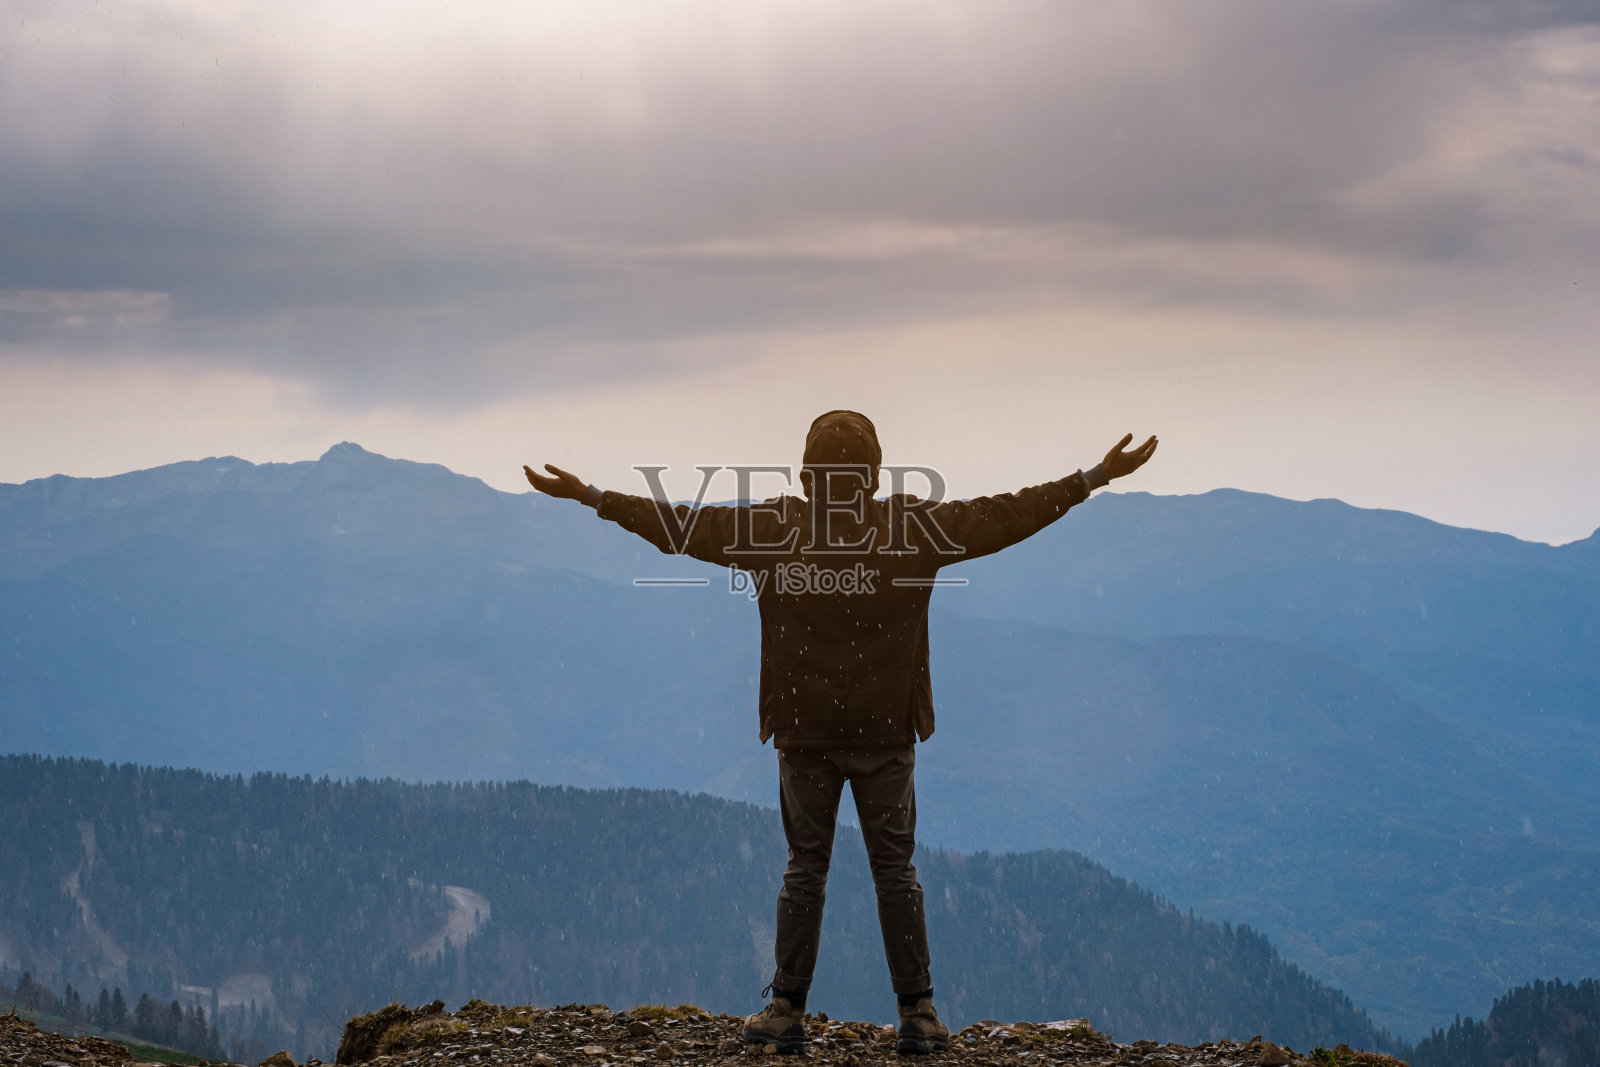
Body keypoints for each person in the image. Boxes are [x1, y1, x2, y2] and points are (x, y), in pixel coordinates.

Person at [524, 411, 1157, 1054]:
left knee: (805, 870)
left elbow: (681, 527)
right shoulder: (913, 529)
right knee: (895, 872)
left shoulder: (774, 528)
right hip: (886, 734)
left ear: (807, 474)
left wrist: (593, 496)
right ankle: (917, 1012)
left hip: (806, 733)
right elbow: (1008, 516)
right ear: (874, 475)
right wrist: (1095, 476)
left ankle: (786, 1010)